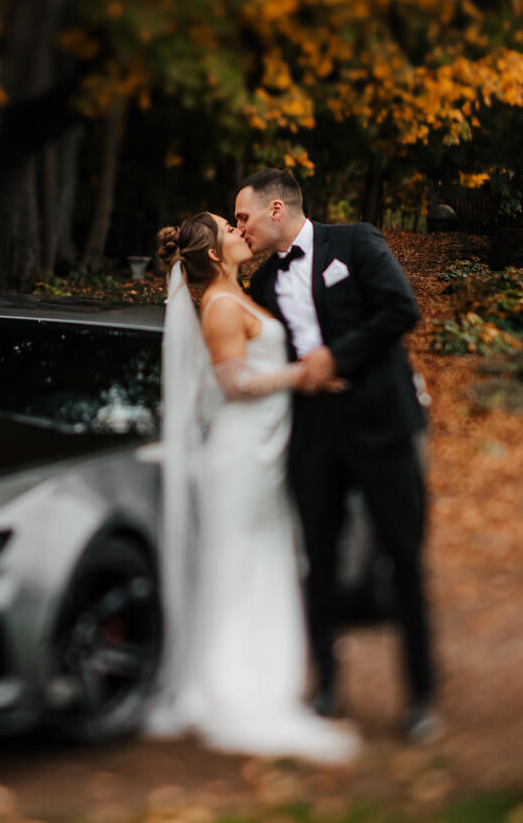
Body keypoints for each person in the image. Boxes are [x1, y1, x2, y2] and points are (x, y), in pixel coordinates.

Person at [146, 211, 360, 762]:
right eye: (230, 229)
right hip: (239, 453)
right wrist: (302, 374)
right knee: (237, 561)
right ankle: (227, 680)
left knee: (264, 558)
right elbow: (233, 383)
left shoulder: (240, 294)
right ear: (216, 254)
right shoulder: (219, 307)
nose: (242, 232)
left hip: (265, 450)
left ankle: (265, 669)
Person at [234, 168, 439, 743]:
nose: (241, 227)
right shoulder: (264, 285)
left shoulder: (356, 242)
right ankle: (326, 687)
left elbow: (401, 310)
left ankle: (421, 696)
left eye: (244, 216)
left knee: (402, 557)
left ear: (277, 210)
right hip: (315, 435)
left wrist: (335, 358)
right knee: (316, 562)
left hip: (383, 428)